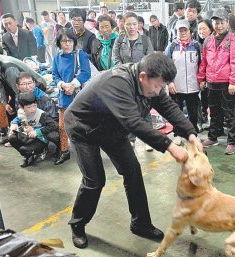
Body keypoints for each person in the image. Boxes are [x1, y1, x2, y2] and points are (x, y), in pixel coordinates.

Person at [64, 53, 202, 248]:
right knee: (95, 180)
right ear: (143, 76)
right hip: (83, 128)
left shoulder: (152, 85)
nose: (158, 90)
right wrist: (169, 146)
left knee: (133, 171)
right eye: (157, 86)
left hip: (111, 129)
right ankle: (77, 225)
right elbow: (133, 122)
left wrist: (190, 133)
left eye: (162, 86)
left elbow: (168, 107)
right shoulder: (117, 82)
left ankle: (140, 224)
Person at [0, 41, 48, 145]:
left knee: (24, 109)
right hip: (17, 89)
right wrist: (4, 103)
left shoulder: (8, 67)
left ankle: (24, 137)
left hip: (36, 88)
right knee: (8, 107)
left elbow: (21, 93)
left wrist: (20, 108)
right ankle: (12, 135)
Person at [198, 8, 235, 155]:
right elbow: (203, 62)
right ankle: (213, 137)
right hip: (211, 82)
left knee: (229, 113)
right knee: (214, 112)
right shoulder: (208, 40)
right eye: (216, 22)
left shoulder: (233, 39)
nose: (219, 25)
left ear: (227, 23)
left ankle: (232, 142)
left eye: (222, 22)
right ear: (212, 23)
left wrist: (232, 82)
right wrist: (202, 78)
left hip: (226, 83)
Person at [52, 28, 92, 165]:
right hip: (64, 96)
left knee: (83, 126)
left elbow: (86, 73)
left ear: (74, 42)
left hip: (79, 96)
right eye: (64, 41)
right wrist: (63, 85)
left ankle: (87, 152)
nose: (67, 44)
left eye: (70, 41)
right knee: (62, 127)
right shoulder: (57, 57)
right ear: (59, 43)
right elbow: (55, 76)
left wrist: (72, 85)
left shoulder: (81, 55)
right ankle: (64, 151)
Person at [165, 19, 201, 143]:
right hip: (176, 86)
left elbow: (202, 64)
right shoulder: (172, 46)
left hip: (193, 86)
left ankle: (192, 133)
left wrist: (201, 80)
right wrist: (169, 82)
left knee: (193, 112)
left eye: (185, 30)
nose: (182, 32)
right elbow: (166, 66)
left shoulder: (196, 45)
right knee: (176, 112)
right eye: (180, 30)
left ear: (190, 31)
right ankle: (178, 133)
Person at [9, 92, 59, 167]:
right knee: (11, 138)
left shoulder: (40, 114)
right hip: (28, 136)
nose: (32, 109)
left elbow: (54, 125)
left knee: (23, 149)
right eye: (29, 107)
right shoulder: (21, 112)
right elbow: (17, 119)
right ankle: (28, 156)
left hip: (40, 139)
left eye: (34, 106)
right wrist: (14, 123)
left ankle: (40, 151)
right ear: (22, 107)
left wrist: (37, 131)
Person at [196, 19, 214, 129]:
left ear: (210, 29)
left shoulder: (212, 41)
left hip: (212, 77)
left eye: (204, 28)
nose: (201, 31)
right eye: (199, 29)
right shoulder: (197, 43)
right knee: (203, 97)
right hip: (202, 75)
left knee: (211, 100)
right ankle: (203, 116)